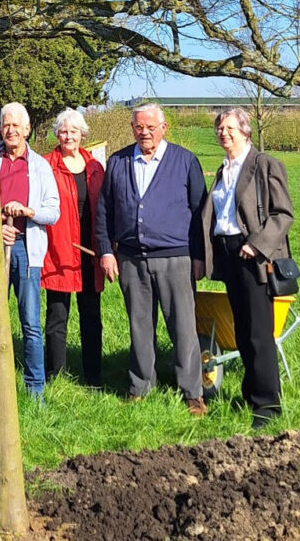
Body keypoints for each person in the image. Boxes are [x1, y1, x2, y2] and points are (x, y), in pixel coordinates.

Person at [94, 102, 209, 416]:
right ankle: (140, 386)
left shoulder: (185, 161)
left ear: (164, 127)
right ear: (132, 128)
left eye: (150, 127)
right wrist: (106, 250)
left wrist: (199, 256)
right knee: (139, 327)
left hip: (176, 258)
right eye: (138, 127)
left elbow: (201, 213)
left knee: (183, 327)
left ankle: (192, 392)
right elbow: (104, 211)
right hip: (130, 258)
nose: (144, 133)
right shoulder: (117, 162)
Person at [195, 107, 294, 429]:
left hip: (254, 256)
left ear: (245, 131)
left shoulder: (264, 165)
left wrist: (258, 244)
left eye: (229, 128)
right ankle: (250, 394)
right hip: (230, 256)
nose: (223, 133)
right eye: (219, 129)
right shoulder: (224, 169)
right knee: (241, 330)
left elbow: (283, 214)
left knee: (258, 334)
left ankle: (267, 406)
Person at [0, 102, 60, 399]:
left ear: (27, 130)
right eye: (5, 124)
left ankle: (35, 386)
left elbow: (53, 212)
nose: (10, 130)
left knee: (30, 322)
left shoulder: (39, 166)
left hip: (27, 249)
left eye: (16, 125)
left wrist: (27, 211)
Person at [41, 108, 105, 387]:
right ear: (57, 134)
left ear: (83, 135)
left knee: (91, 313)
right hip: (58, 248)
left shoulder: (95, 167)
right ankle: (55, 374)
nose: (69, 136)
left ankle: (93, 375)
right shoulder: (46, 165)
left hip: (90, 250)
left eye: (74, 132)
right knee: (57, 315)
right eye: (64, 131)